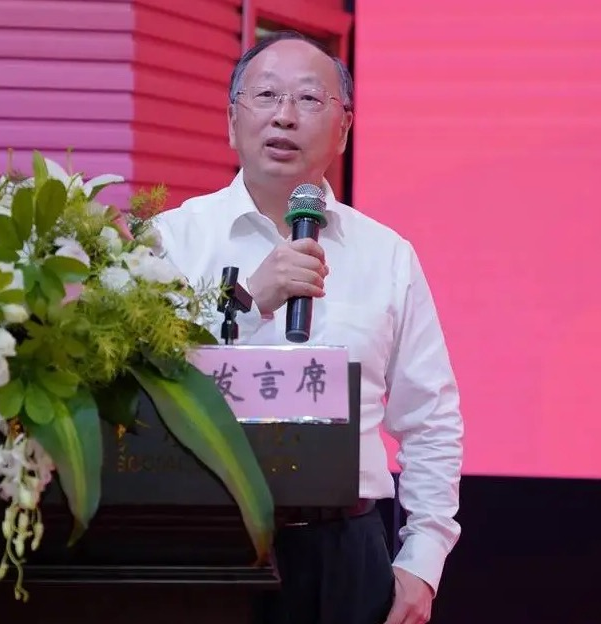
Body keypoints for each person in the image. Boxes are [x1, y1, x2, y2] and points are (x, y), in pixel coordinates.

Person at [152, 30, 464, 624]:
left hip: (342, 553)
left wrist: (423, 559)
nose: (285, 116)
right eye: (267, 95)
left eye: (309, 99)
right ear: (232, 121)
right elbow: (144, 386)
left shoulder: (386, 255)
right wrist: (249, 302)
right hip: (198, 544)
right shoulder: (171, 241)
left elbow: (431, 418)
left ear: (343, 131)